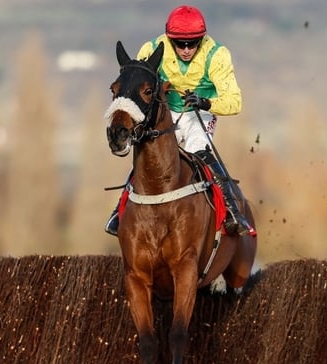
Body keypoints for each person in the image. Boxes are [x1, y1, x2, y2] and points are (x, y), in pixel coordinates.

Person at [105, 4, 251, 236]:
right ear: (169, 39)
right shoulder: (151, 49)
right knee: (148, 155)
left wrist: (205, 102)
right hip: (165, 111)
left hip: (199, 112)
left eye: (192, 43)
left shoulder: (217, 55)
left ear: (201, 39)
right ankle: (118, 212)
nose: (185, 49)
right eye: (179, 43)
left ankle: (232, 209)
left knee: (199, 150)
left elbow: (235, 101)